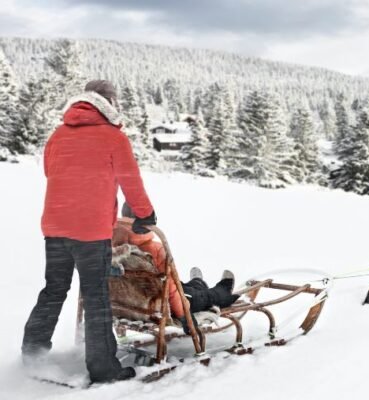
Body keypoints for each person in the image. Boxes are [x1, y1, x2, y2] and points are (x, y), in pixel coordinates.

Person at [22, 80, 157, 383]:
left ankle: (32, 354)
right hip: (91, 231)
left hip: (55, 227)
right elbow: (130, 180)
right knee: (96, 295)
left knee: (54, 290)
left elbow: (50, 171)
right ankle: (103, 368)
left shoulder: (58, 134)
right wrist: (145, 214)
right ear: (108, 102)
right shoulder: (113, 137)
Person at [114, 203, 239, 334]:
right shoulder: (154, 249)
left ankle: (197, 282)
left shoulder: (114, 248)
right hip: (160, 306)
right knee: (202, 296)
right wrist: (184, 316)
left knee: (185, 288)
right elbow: (171, 287)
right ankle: (223, 289)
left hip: (130, 304)